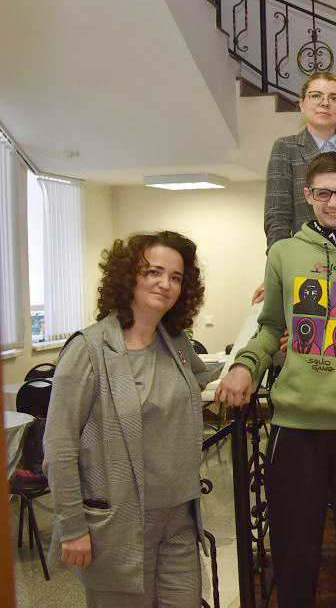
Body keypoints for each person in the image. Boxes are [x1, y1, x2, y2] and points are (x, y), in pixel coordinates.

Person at [216, 152, 336, 607]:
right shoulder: (284, 255)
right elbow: (269, 328)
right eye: (323, 193)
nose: (333, 202)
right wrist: (244, 365)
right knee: (295, 553)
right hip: (295, 429)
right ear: (308, 195)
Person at [44, 231, 214, 606]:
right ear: (128, 276)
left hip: (180, 519)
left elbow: (200, 381)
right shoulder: (88, 349)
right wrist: (72, 526)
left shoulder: (176, 342)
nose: (165, 283)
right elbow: (59, 446)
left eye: (175, 277)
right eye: (153, 272)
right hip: (119, 524)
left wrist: (249, 364)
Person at [263, 71, 336, 249]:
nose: (325, 103)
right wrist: (280, 259)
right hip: (305, 255)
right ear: (302, 104)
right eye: (316, 96)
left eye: (334, 98)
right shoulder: (286, 148)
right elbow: (277, 218)